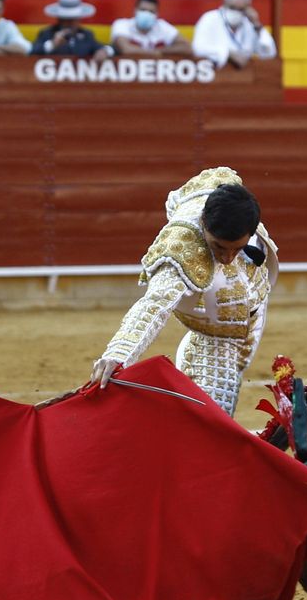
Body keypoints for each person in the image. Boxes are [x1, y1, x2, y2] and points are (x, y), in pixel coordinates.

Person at [90, 167, 278, 416]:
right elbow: (154, 305)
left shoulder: (229, 197)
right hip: (217, 335)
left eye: (237, 249)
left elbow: (206, 183)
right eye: (219, 247)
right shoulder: (181, 247)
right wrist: (117, 355)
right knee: (215, 417)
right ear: (203, 224)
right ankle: (196, 355)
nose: (227, 258)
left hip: (251, 312)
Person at [192, 0, 276, 68]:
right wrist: (229, 54)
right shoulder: (210, 18)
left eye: (241, 9)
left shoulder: (249, 24)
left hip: (245, 78)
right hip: (215, 74)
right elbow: (198, 48)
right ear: (224, 4)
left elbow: (269, 54)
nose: (236, 12)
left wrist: (257, 24)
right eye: (232, 8)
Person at [111, 0, 192, 55]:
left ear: (157, 14)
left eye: (151, 12)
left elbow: (187, 48)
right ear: (135, 10)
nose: (146, 14)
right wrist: (155, 53)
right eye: (143, 10)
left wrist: (160, 51)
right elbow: (126, 49)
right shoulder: (122, 24)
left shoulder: (162, 26)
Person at [31, 0, 106, 57]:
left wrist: (104, 51)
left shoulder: (86, 35)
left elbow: (102, 48)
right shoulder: (47, 33)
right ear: (60, 19)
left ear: (78, 19)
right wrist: (52, 44)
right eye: (66, 19)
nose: (70, 23)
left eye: (73, 19)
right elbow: (32, 51)